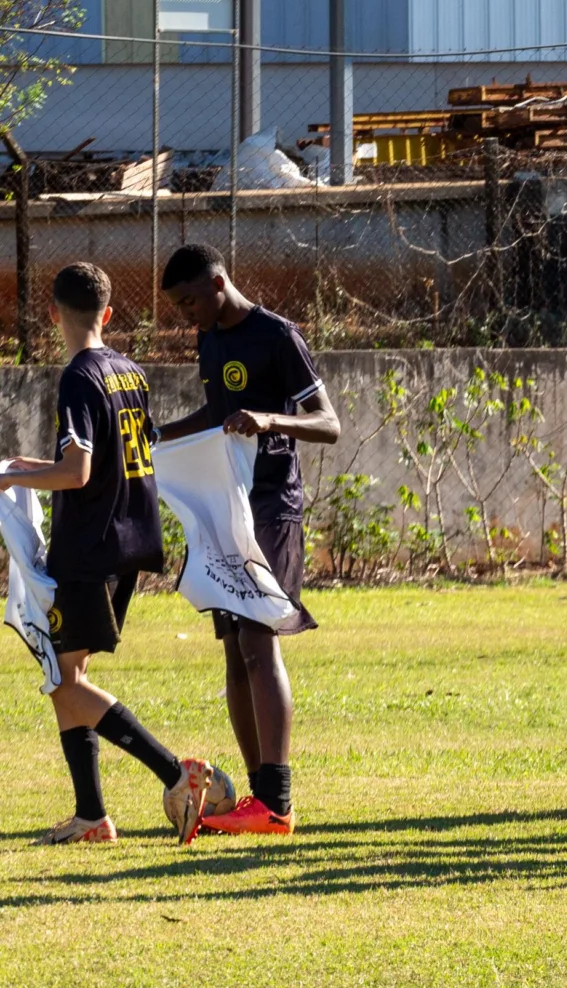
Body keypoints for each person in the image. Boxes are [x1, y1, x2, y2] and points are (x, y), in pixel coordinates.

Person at [6, 264, 214, 845]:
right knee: (67, 676)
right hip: (126, 543)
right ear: (110, 314)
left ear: (52, 315)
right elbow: (128, 453)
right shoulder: (128, 370)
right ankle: (91, 815)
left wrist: (7, 483)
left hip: (89, 549)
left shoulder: (78, 376)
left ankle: (178, 773)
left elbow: (78, 471)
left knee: (63, 682)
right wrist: (28, 469)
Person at [158, 244, 335, 836]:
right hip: (224, 508)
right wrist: (154, 435)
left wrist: (270, 419)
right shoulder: (209, 337)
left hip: (271, 507)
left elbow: (328, 423)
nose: (185, 316)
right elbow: (217, 411)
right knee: (234, 650)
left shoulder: (278, 336)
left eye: (188, 302)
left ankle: (277, 803)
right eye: (178, 307)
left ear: (218, 282)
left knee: (260, 643)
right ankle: (256, 801)